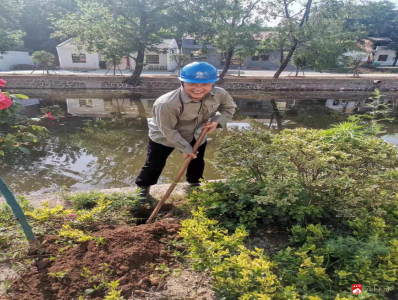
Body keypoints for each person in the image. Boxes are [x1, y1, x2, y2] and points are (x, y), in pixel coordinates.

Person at [135, 61, 237, 199]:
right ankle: (143, 188)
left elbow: (229, 109)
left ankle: (194, 183)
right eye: (192, 84)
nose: (198, 88)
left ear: (213, 83)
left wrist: (217, 122)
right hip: (164, 135)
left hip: (197, 132)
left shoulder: (220, 94)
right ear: (182, 82)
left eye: (205, 84)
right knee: (154, 163)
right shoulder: (166, 103)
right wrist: (185, 149)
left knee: (197, 161)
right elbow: (169, 130)